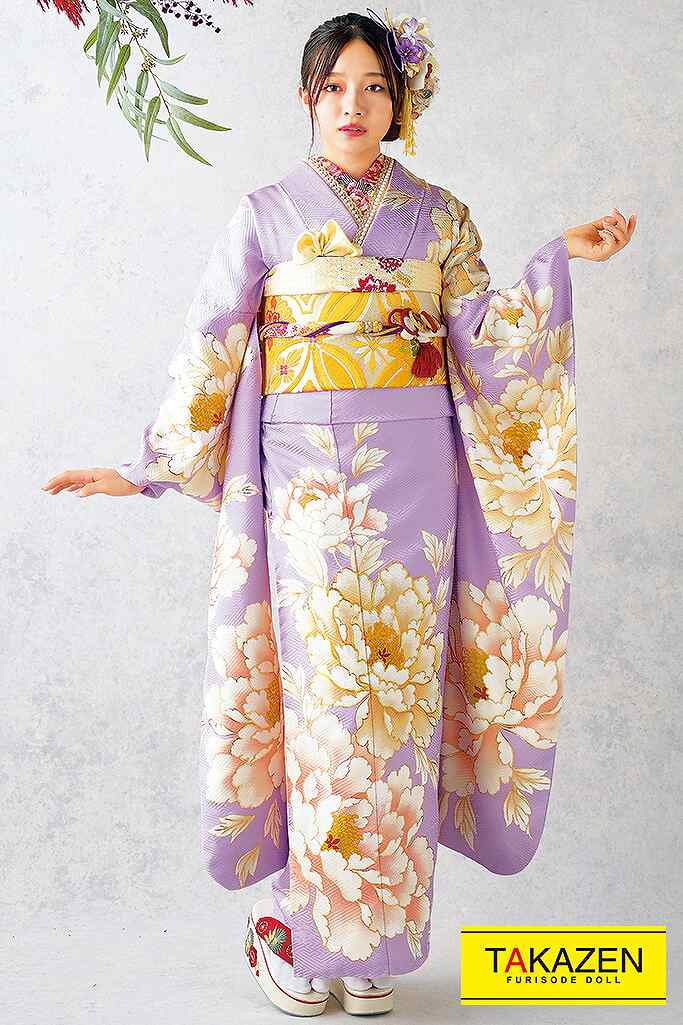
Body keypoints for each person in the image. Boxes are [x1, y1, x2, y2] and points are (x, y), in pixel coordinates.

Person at [41, 7, 636, 1018]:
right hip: (307, 487)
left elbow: (488, 342)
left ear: (398, 103)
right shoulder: (265, 215)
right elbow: (213, 345)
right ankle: (293, 929)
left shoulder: (439, 218)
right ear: (306, 98)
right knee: (324, 702)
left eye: (371, 87)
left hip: (416, 484)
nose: (351, 105)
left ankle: (370, 939)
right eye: (332, 87)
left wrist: (556, 260)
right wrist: (143, 470)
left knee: (397, 703)